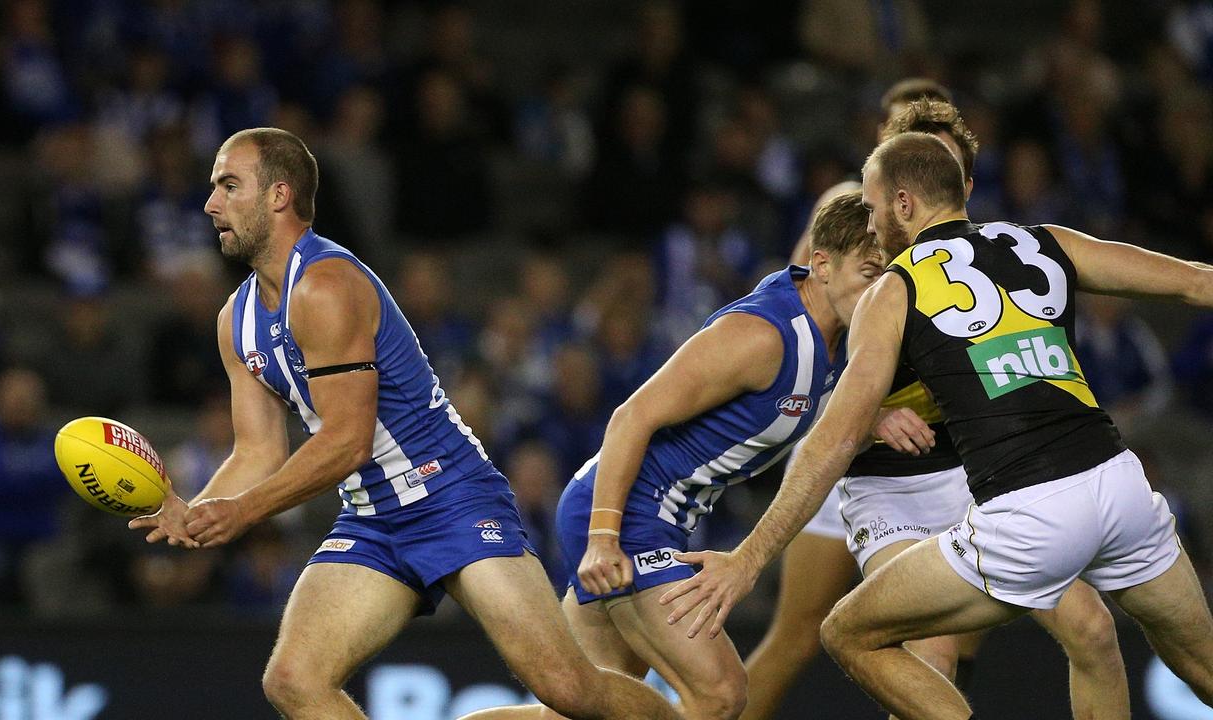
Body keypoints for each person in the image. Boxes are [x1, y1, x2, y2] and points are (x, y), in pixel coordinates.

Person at [128, 127, 683, 720]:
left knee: (566, 688)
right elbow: (257, 450)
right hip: (374, 516)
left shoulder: (326, 286)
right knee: (294, 681)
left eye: (228, 185)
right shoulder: (233, 320)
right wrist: (197, 509)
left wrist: (242, 512)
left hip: (452, 496)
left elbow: (347, 441)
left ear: (279, 195)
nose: (210, 204)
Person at [661, 131, 1213, 719]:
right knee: (1200, 664)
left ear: (903, 205)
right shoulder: (1043, 241)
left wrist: (747, 559)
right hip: (1121, 485)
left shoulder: (895, 290)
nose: (871, 226)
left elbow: (835, 437)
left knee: (849, 632)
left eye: (873, 210)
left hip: (1030, 512)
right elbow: (1195, 280)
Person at [742, 96, 1128, 720]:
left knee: (1076, 629)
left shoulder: (986, 253)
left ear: (962, 185)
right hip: (854, 462)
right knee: (807, 635)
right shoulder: (848, 224)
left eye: (944, 163)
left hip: (966, 471)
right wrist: (863, 417)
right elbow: (794, 357)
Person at [464, 190, 899, 720]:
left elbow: (817, 399)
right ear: (823, 264)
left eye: (887, 275)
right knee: (719, 694)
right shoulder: (761, 336)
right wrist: (603, 540)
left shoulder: (839, 331)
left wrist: (874, 416)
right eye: (868, 270)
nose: (878, 287)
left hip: (650, 518)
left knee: (576, 711)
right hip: (627, 518)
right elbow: (631, 417)